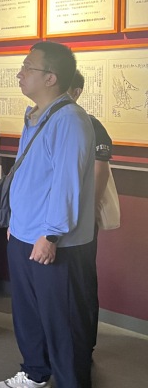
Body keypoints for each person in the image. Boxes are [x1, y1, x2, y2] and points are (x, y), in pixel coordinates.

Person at [0, 42, 95, 388]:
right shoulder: (37, 115)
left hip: (53, 241)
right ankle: (35, 373)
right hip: (24, 233)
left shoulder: (69, 120)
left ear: (51, 77)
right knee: (28, 314)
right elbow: (31, 177)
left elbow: (67, 183)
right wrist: (17, 222)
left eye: (27, 67)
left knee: (63, 323)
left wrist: (50, 234)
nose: (20, 73)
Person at [67, 69, 113, 352]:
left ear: (76, 92)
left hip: (81, 217)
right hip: (57, 217)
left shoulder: (91, 124)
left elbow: (100, 171)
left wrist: (88, 210)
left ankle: (83, 343)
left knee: (82, 279)